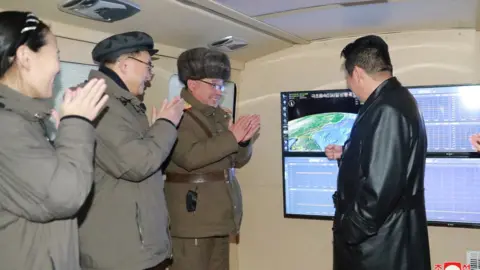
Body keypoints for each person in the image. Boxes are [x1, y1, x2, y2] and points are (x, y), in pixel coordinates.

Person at [0, 11, 109, 270]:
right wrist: (78, 124)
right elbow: (65, 197)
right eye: (56, 54)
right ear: (25, 57)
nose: (58, 66)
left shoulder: (24, 121)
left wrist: (64, 138)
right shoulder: (7, 125)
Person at [75, 32, 185, 270]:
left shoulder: (123, 104)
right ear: (125, 65)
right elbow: (136, 165)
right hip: (120, 252)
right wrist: (167, 124)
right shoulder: (101, 102)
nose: (150, 75)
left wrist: (158, 130)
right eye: (148, 66)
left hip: (135, 245)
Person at [326, 35, 431, 270]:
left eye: (348, 78)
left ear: (358, 74)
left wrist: (349, 231)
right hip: (385, 238)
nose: (350, 86)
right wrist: (347, 154)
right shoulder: (395, 100)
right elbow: (386, 162)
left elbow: (379, 190)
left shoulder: (387, 109)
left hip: (378, 247)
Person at [164, 47, 260, 270]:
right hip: (193, 220)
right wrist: (232, 136)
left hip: (219, 215)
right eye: (214, 85)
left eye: (221, 86)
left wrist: (243, 142)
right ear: (192, 83)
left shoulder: (219, 115)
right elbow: (190, 157)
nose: (219, 91)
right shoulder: (177, 115)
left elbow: (236, 161)